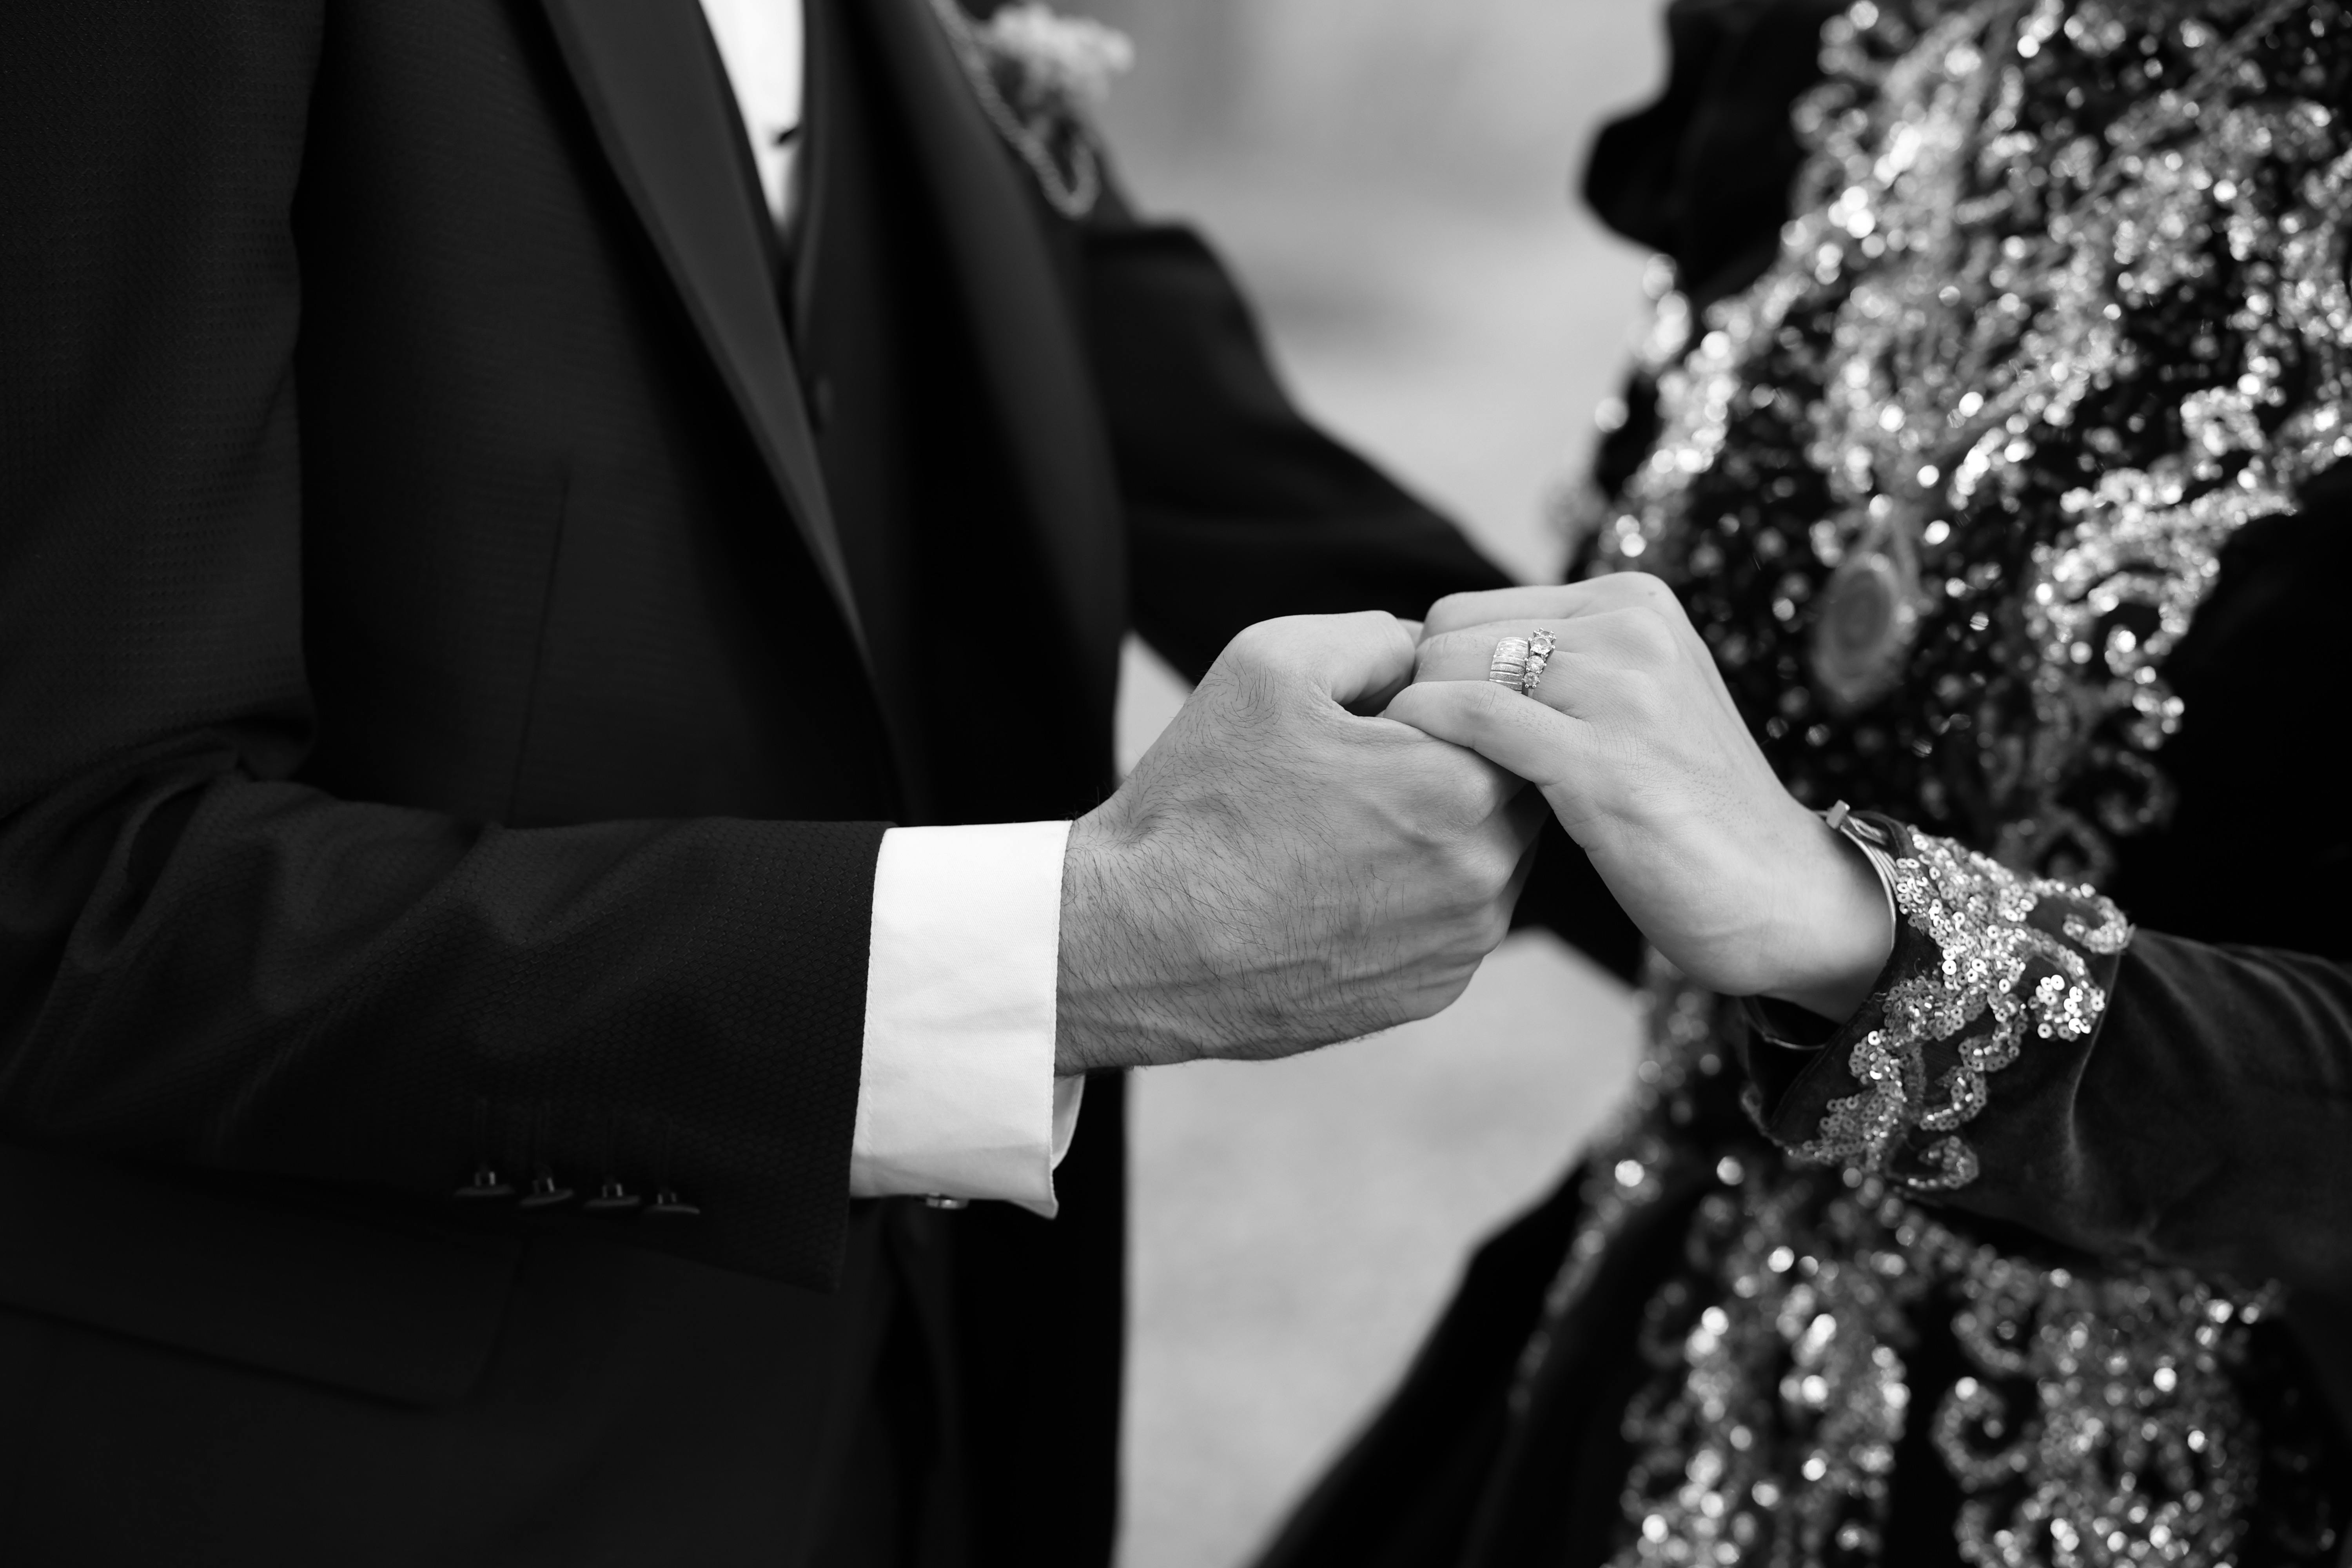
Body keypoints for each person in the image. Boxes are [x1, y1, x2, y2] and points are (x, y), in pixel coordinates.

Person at [0, 3, 1564, 1563]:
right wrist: (1054, 954)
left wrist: (1771, 864)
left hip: (925, 1435)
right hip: (360, 1479)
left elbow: (1199, 457)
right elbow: (65, 875)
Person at [1260, 0, 2352, 1561]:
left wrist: (1871, 937)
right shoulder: (1845, 46)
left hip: (2178, 1481)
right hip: (1630, 1382)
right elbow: (1673, 754)